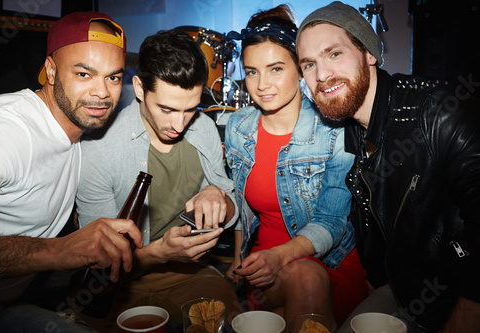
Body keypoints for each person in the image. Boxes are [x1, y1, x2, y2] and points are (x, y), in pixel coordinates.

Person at [296, 2, 480, 332]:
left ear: (369, 52)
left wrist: (466, 315)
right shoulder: (347, 131)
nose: (321, 75)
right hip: (403, 293)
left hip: (458, 297)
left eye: (334, 53)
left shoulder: (434, 113)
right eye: (308, 64)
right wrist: (381, 276)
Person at [0, 12, 143, 332]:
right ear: (51, 71)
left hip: (10, 305)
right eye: (84, 74)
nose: (102, 93)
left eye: (113, 77)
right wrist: (58, 250)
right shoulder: (3, 131)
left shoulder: (80, 130)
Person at [75, 28, 242, 331]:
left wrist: (220, 197)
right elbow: (98, 263)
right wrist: (159, 253)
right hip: (117, 286)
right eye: (167, 109)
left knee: (230, 324)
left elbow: (233, 212)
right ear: (139, 88)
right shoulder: (98, 148)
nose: (179, 124)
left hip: (188, 273)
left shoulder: (202, 127)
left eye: (190, 109)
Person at [224, 4, 368, 328]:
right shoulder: (238, 127)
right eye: (251, 71)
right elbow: (239, 202)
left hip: (328, 264)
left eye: (276, 69)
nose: (261, 85)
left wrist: (280, 256)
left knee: (302, 286)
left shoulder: (333, 129)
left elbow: (332, 222)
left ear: (300, 69)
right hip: (263, 269)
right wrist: (238, 257)